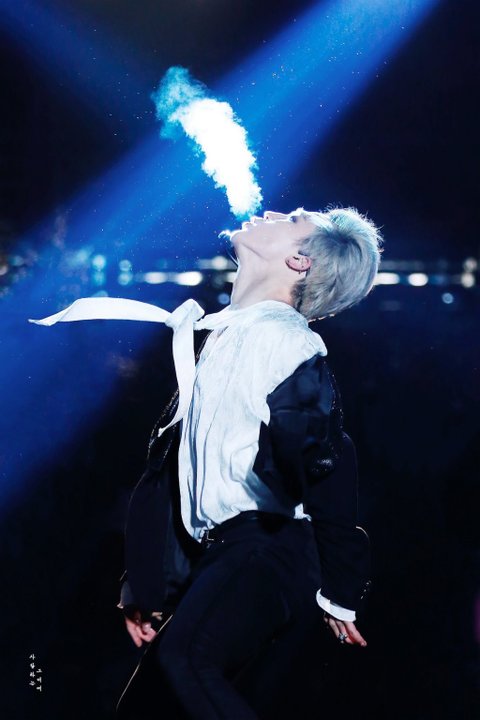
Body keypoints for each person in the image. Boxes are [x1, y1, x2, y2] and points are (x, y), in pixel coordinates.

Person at [114, 206, 383, 719]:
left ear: (300, 261)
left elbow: (327, 457)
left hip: (268, 548)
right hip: (225, 554)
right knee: (145, 707)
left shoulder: (286, 339)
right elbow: (175, 472)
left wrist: (341, 588)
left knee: (187, 661)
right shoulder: (229, 335)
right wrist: (145, 583)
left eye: (293, 218)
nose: (274, 211)